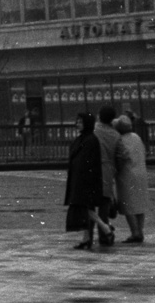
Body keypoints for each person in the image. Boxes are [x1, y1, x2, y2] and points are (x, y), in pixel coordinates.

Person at [64, 113, 112, 250]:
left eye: (80, 121)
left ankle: (104, 227)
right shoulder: (84, 138)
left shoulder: (90, 140)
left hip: (84, 181)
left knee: (83, 206)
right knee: (86, 207)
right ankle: (87, 238)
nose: (77, 124)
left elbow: (87, 162)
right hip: (80, 179)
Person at [113, 115, 149, 244]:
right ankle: (140, 230)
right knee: (140, 204)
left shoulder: (120, 140)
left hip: (127, 175)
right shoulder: (136, 137)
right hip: (141, 173)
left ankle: (135, 233)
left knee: (128, 206)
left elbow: (121, 158)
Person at [93, 106, 122, 246]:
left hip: (92, 169)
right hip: (108, 171)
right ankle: (104, 236)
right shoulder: (115, 135)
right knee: (104, 205)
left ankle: (88, 236)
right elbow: (120, 154)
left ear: (99, 116)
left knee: (89, 205)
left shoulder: (94, 130)